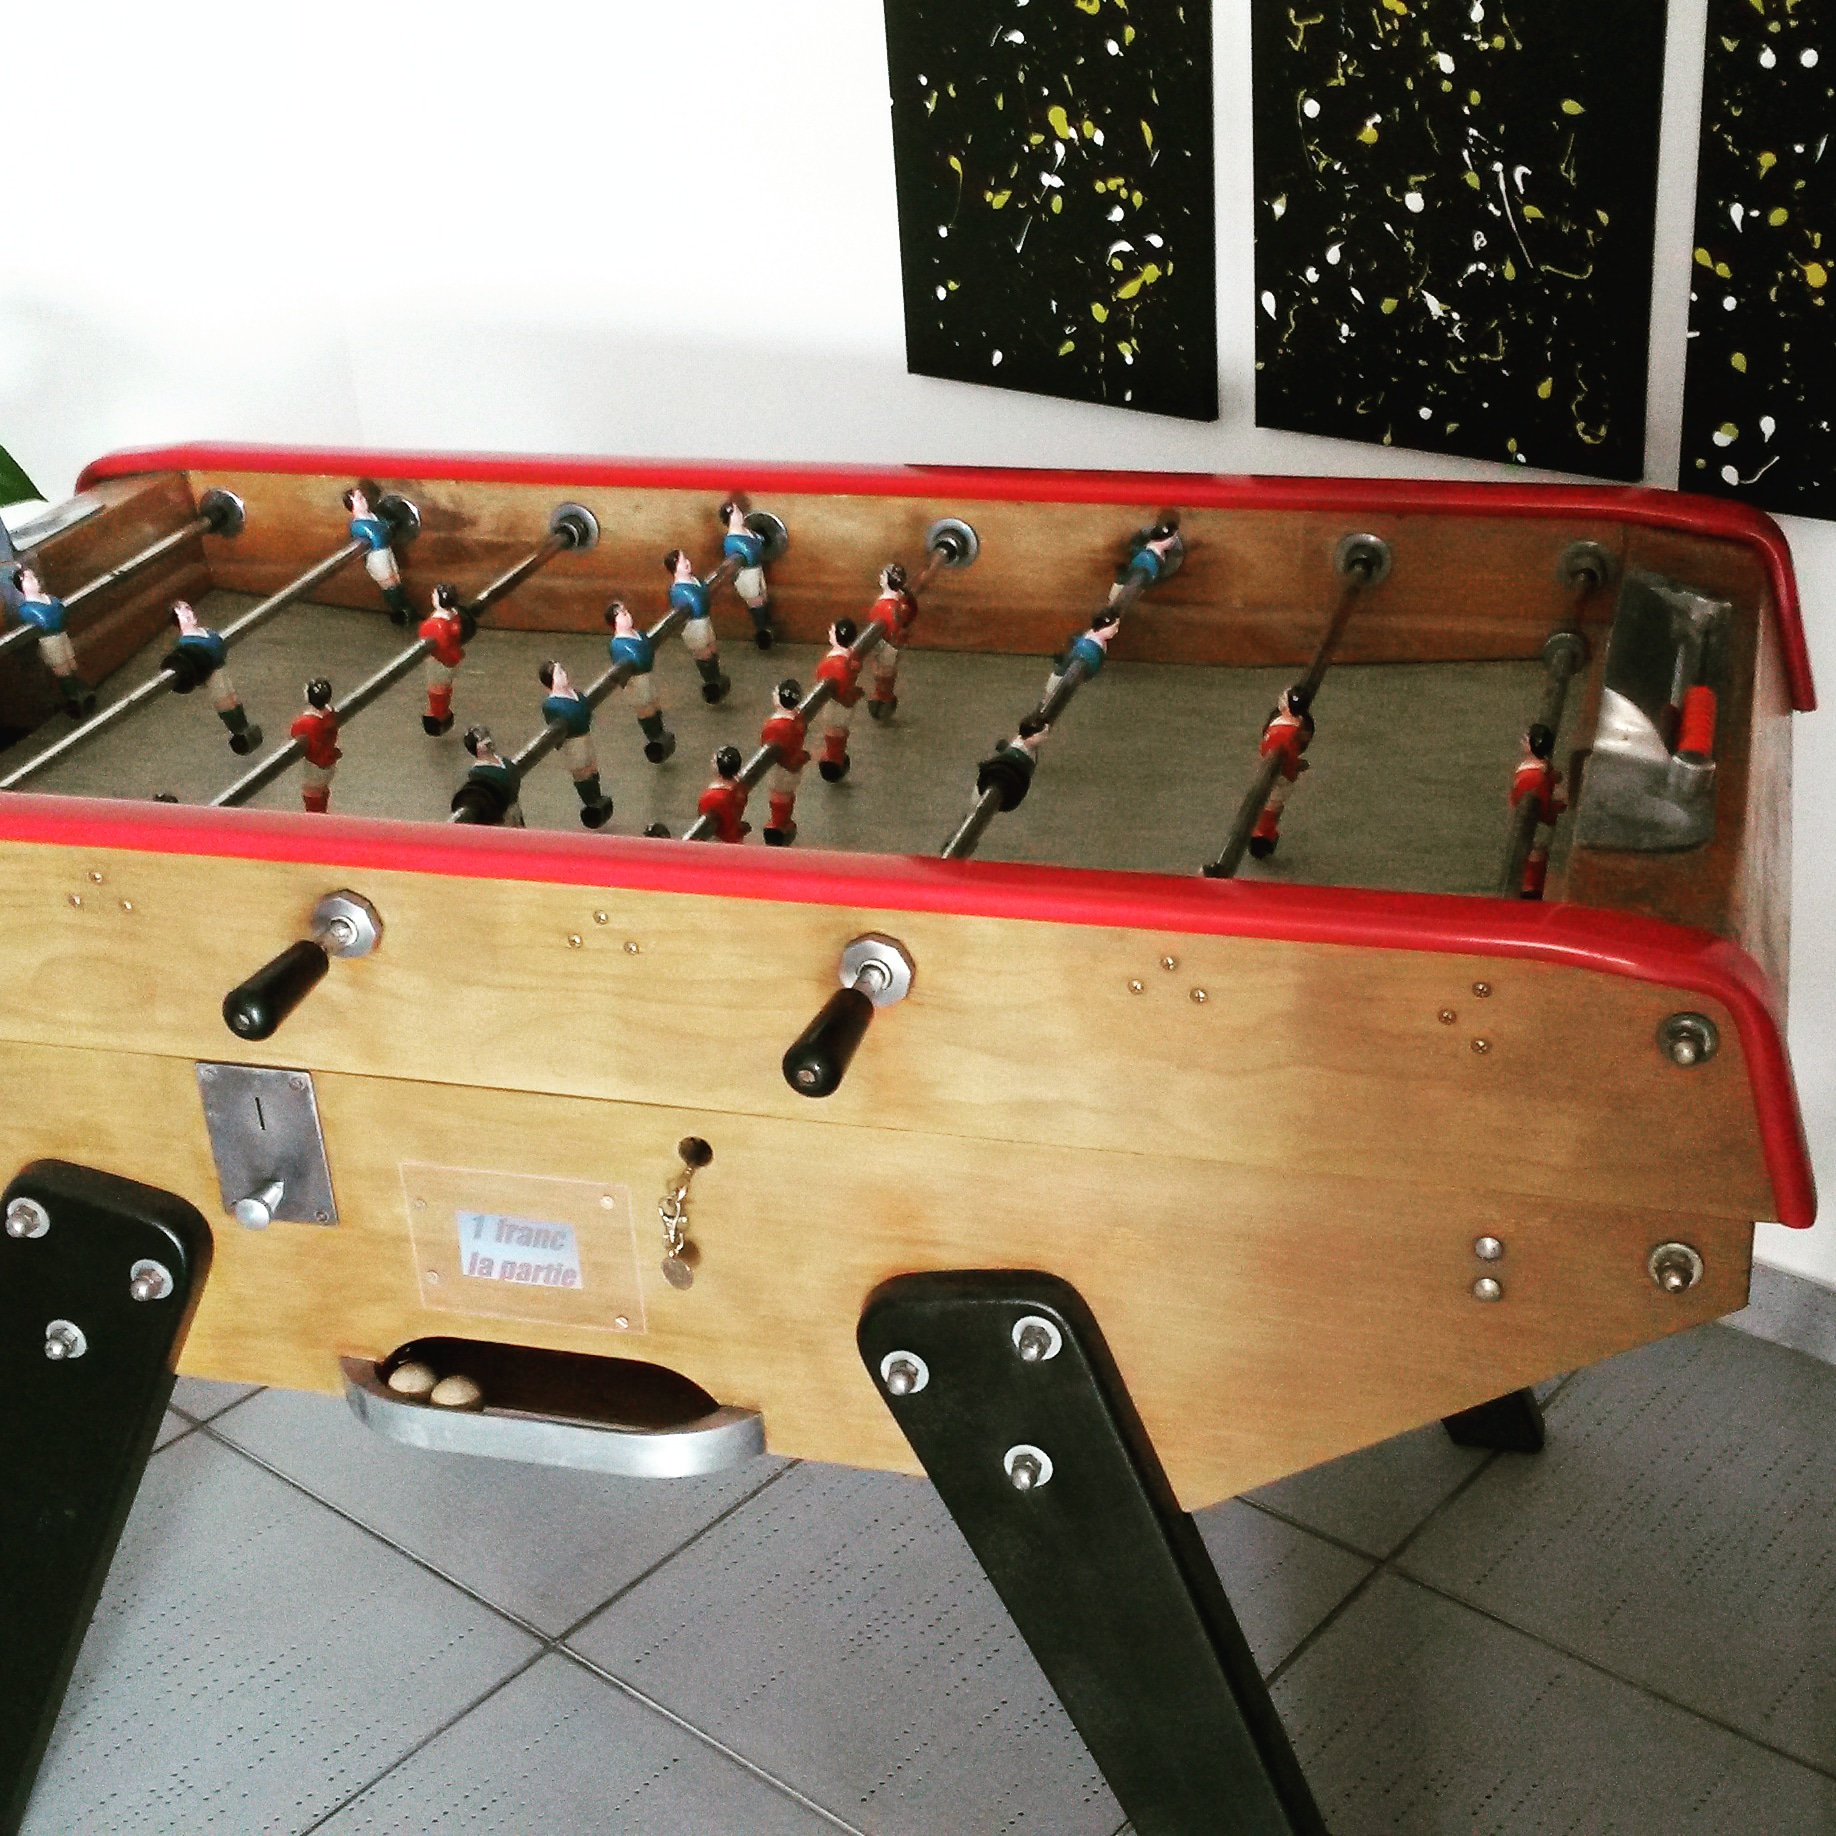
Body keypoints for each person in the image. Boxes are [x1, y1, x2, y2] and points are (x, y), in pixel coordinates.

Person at [162, 601, 262, 753]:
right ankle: (238, 731)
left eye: (188, 609)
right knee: (225, 701)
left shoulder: (205, 632)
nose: (188, 614)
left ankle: (244, 726)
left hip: (219, 668)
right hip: (213, 673)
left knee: (233, 698)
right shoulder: (187, 642)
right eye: (183, 613)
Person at [8, 564, 95, 716]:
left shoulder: (48, 599)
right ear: (21, 585)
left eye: (34, 577)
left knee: (71, 663)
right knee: (62, 668)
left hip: (61, 634)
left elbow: (60, 612)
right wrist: (54, 614)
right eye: (29, 579)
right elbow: (47, 620)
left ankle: (81, 692)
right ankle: (74, 698)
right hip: (49, 640)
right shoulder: (27, 609)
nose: (35, 581)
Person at [538, 659, 614, 828]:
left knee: (591, 767)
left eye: (562, 671)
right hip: (572, 743)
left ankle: (597, 797)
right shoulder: (552, 705)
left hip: (584, 736)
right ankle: (591, 802)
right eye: (559, 673)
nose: (564, 675)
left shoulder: (576, 694)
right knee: (581, 771)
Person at [1247, 686, 1315, 860]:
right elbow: (1285, 759)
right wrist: (1294, 767)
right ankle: (1262, 835)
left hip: (1277, 765)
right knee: (1274, 801)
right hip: (1279, 771)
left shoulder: (1286, 725)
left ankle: (1264, 832)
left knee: (1274, 801)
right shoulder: (1285, 731)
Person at [604, 600, 676, 761]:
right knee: (645, 707)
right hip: (634, 681)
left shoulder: (639, 635)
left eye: (626, 611)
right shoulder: (618, 645)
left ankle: (660, 733)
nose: (626, 614)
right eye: (620, 614)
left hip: (646, 676)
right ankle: (654, 738)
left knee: (654, 703)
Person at [665, 549, 731, 703]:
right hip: (694, 625)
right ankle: (711, 685)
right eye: (682, 562)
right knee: (703, 653)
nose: (687, 562)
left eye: (686, 559)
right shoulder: (678, 590)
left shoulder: (695, 581)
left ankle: (716, 679)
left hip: (704, 620)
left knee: (712, 649)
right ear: (674, 567)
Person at [343, 480, 409, 623]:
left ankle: (404, 607)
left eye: (363, 497)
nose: (364, 500)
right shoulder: (358, 525)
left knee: (396, 579)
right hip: (377, 556)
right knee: (389, 584)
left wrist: (387, 529)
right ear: (352, 504)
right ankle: (399, 611)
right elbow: (379, 536)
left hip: (386, 550)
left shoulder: (373, 516)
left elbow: (386, 531)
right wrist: (386, 528)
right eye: (359, 498)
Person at [866, 561, 920, 719]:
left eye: (883, 575)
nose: (880, 577)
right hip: (890, 644)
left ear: (890, 580)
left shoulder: (887, 605)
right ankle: (884, 694)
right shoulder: (901, 601)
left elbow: (886, 626)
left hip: (886, 643)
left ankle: (883, 697)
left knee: (883, 672)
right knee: (886, 670)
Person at [759, 679, 810, 845]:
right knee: (787, 794)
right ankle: (784, 820)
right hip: (795, 765)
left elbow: (765, 744)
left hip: (780, 768)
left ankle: (778, 823)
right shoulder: (798, 719)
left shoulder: (775, 725)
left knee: (779, 794)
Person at [720, 498, 775, 649]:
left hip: (756, 569)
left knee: (763, 598)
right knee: (756, 601)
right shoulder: (732, 541)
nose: (740, 514)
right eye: (736, 512)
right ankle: (762, 634)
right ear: (730, 517)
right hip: (746, 574)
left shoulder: (747, 532)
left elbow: (758, 542)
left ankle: (766, 629)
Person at [418, 583, 470, 735]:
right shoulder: (455, 615)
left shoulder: (436, 625)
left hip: (440, 660)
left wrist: (445, 659)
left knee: (437, 687)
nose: (432, 596)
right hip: (451, 657)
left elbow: (436, 644)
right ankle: (440, 712)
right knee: (443, 686)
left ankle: (439, 714)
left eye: (434, 595)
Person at [815, 618, 863, 782]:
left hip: (836, 704)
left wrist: (847, 697)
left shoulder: (832, 664)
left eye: (832, 630)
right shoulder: (851, 655)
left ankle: (834, 758)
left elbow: (827, 683)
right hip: (846, 702)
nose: (829, 632)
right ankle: (836, 754)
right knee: (840, 729)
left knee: (834, 729)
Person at [451, 725, 524, 826]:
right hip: (500, 820)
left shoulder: (505, 762)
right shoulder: (477, 773)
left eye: (487, 737)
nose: (488, 741)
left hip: (515, 812)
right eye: (481, 740)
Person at [290, 678, 341, 813]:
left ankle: (316, 817)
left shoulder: (306, 722)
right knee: (322, 789)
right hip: (329, 762)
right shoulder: (330, 713)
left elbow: (294, 733)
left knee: (311, 794)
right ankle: (322, 811)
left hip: (315, 765)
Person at [696, 745, 750, 842]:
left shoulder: (711, 797)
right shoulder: (740, 788)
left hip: (719, 842)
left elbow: (702, 825)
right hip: (736, 837)